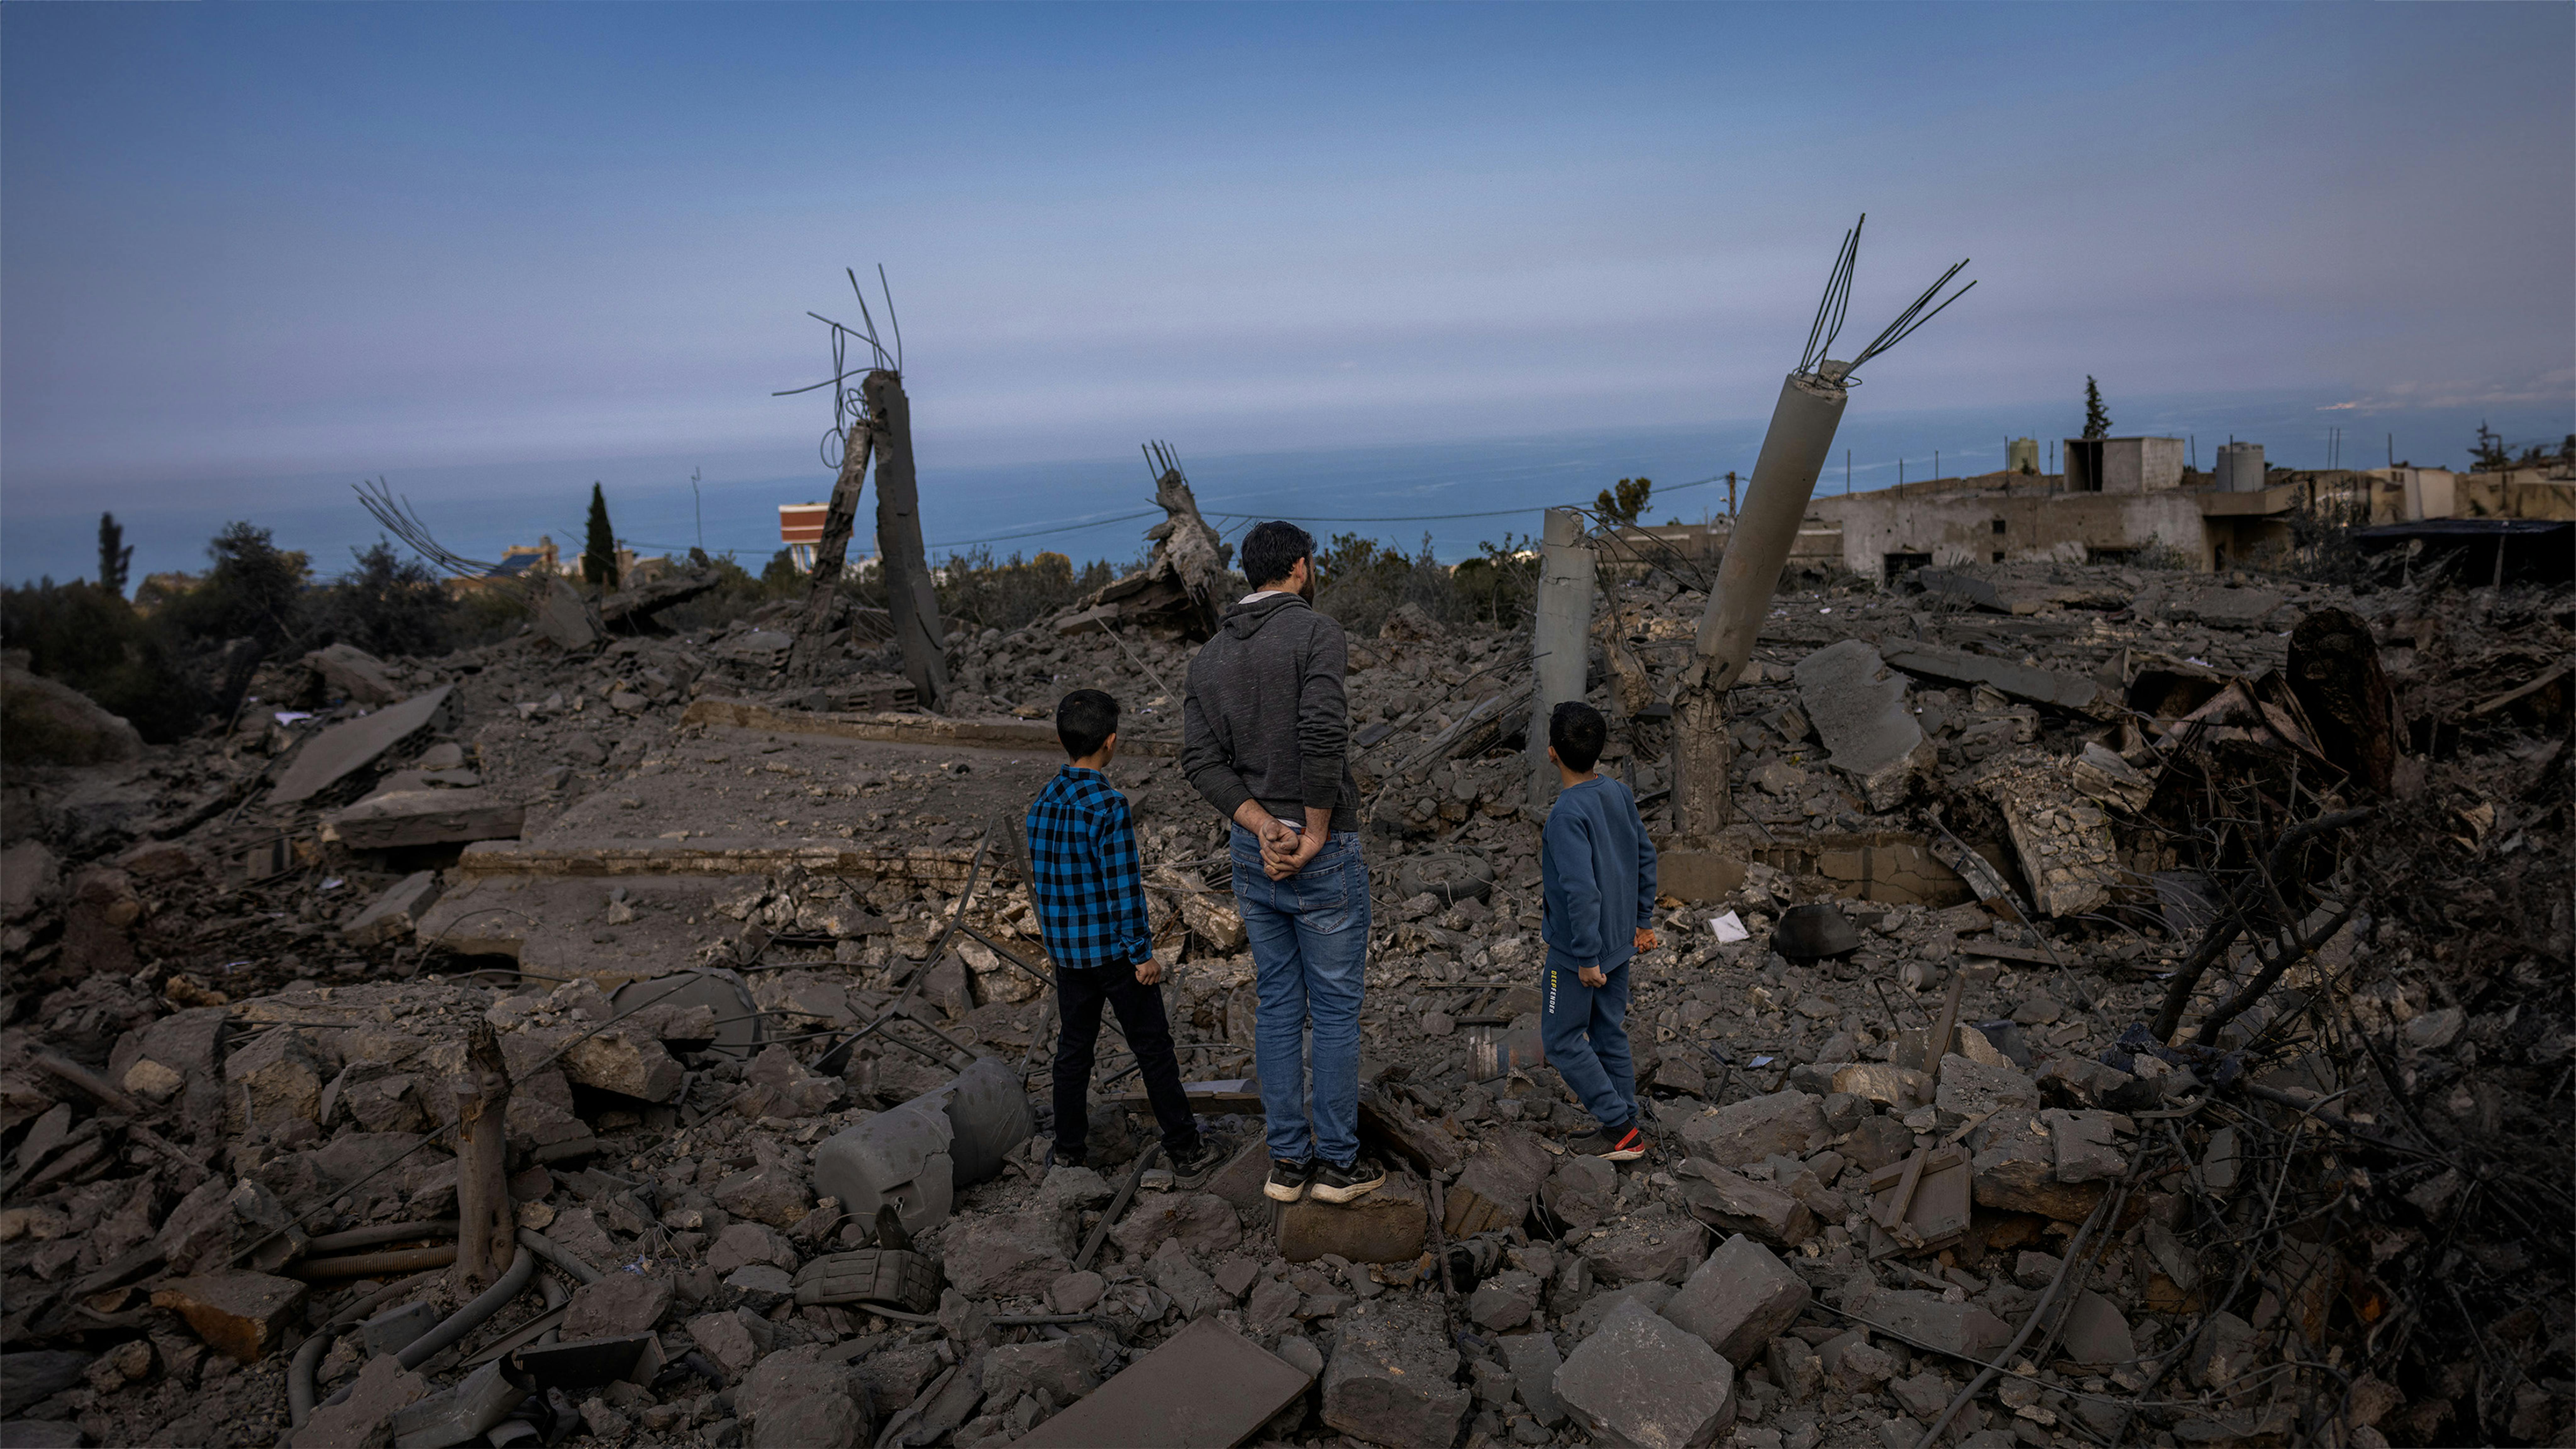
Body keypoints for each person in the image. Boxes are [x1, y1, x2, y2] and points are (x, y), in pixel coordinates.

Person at [1180, 521, 1386, 1205]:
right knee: (1331, 1011)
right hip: (1319, 844)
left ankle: (1287, 1164)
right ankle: (1336, 1165)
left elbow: (1201, 762)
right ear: (1300, 568)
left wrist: (1264, 826)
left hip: (1253, 845)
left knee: (1276, 1006)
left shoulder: (1207, 658)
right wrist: (1315, 831)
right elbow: (1322, 731)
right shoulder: (1316, 632)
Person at [1026, 689, 1222, 1185]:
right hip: (1115, 954)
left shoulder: (1044, 801)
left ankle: (1069, 1152)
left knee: (1073, 1051)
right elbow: (1122, 888)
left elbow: (1047, 884)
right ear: (1111, 743)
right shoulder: (1109, 805)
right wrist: (1142, 954)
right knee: (1153, 1049)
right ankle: (1186, 1149)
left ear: (1063, 740)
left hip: (1069, 955)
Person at [1538, 700, 1659, 1161]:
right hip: (1619, 942)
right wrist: (1642, 921)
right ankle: (1624, 1122)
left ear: (1552, 753)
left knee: (1562, 1039)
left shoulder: (1566, 815)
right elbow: (1645, 856)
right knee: (1608, 1032)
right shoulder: (1619, 793)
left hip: (1578, 953)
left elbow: (1581, 892)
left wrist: (1585, 958)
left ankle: (1618, 1125)